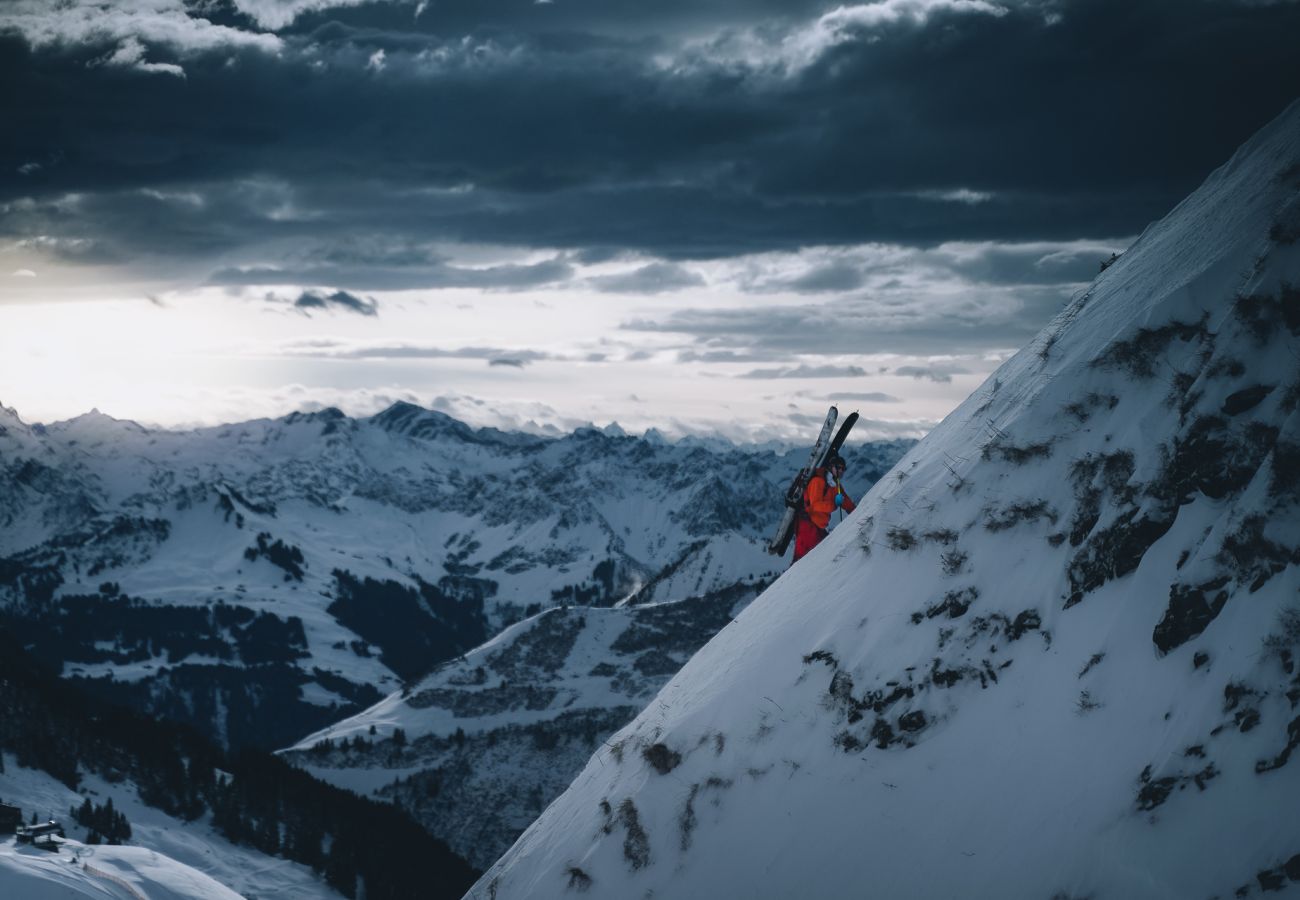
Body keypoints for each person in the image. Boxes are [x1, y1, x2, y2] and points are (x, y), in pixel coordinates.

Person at [792, 453, 855, 564]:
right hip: (807, 525)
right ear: (831, 467)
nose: (841, 471)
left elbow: (846, 501)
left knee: (817, 561)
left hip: (819, 528)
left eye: (843, 469)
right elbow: (815, 505)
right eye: (839, 467)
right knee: (801, 562)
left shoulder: (835, 485)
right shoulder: (818, 481)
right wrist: (834, 504)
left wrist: (856, 512)